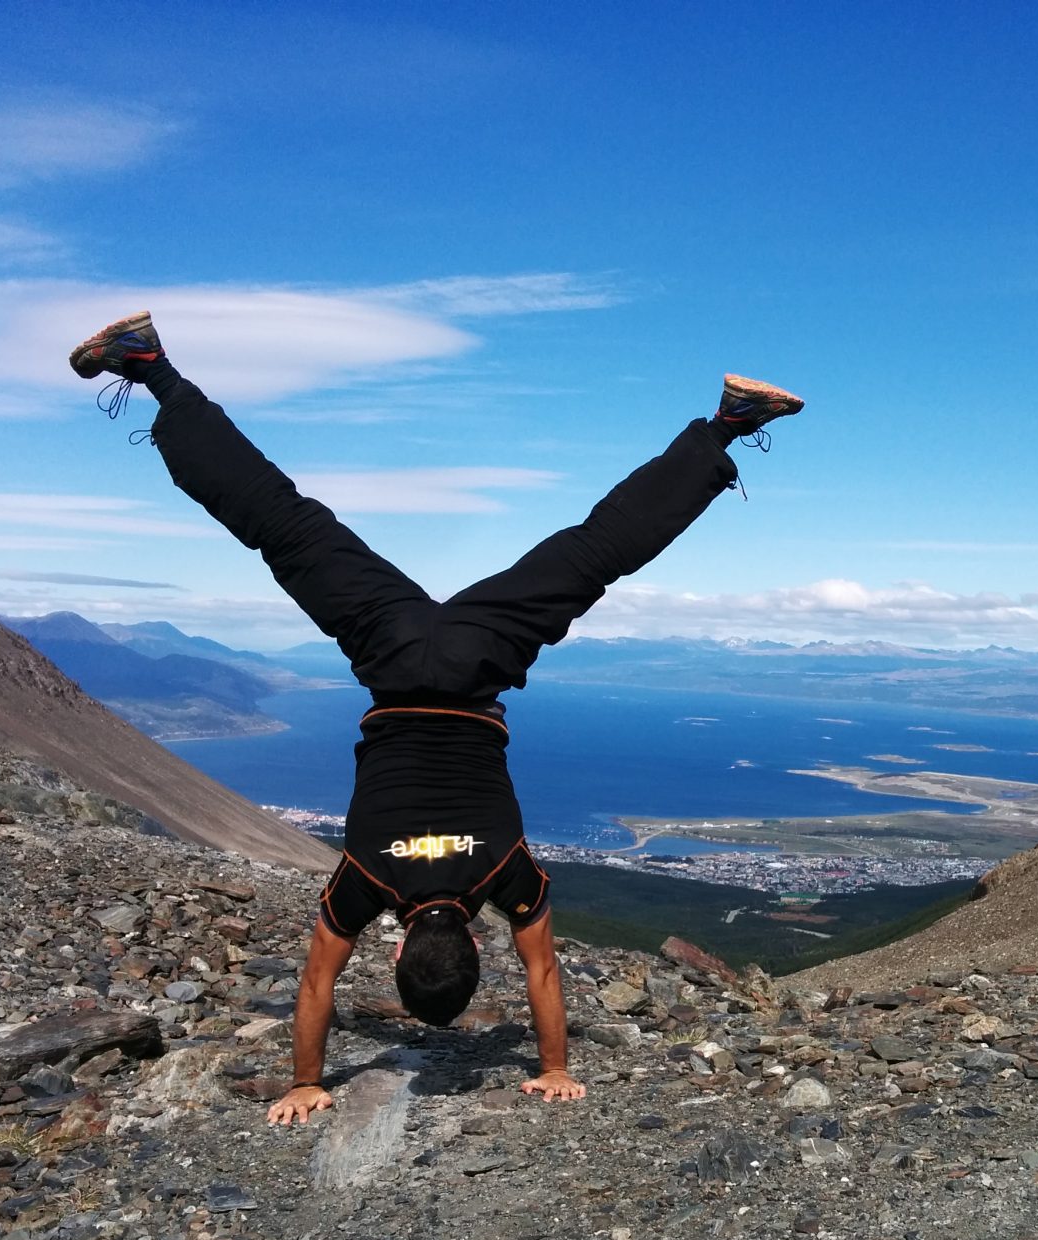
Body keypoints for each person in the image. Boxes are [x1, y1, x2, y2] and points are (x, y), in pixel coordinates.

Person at [68, 311, 803, 1124]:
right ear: (398, 949)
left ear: (475, 948)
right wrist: (305, 1081)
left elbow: (544, 976)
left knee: (597, 552)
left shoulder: (502, 876)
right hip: (388, 653)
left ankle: (729, 423)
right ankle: (152, 369)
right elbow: (317, 983)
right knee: (280, 523)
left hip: (484, 654)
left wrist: (553, 1067)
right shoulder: (367, 882)